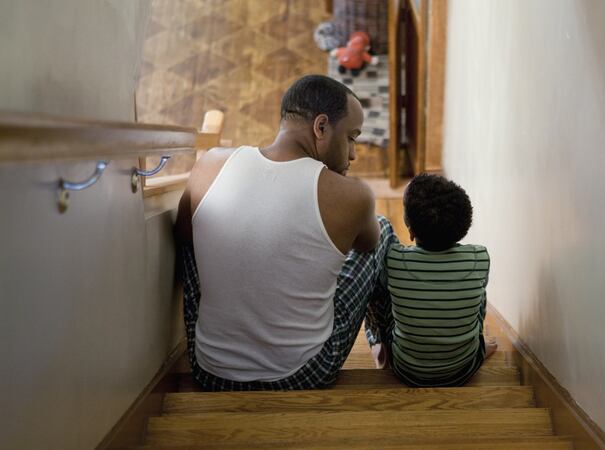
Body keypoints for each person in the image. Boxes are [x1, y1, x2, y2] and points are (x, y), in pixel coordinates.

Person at [174, 75, 398, 390]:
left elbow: (184, 236)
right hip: (304, 374)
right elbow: (367, 244)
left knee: (201, 229)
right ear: (321, 127)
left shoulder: (211, 163)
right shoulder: (352, 196)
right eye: (351, 137)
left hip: (210, 371)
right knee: (383, 229)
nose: (352, 155)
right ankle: (388, 345)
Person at [367, 174, 496, 387]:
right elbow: (478, 311)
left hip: (406, 370)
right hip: (463, 370)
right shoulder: (479, 257)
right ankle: (477, 347)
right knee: (477, 297)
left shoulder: (395, 259)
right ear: (462, 228)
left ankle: (380, 347)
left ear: (410, 231)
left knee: (382, 293)